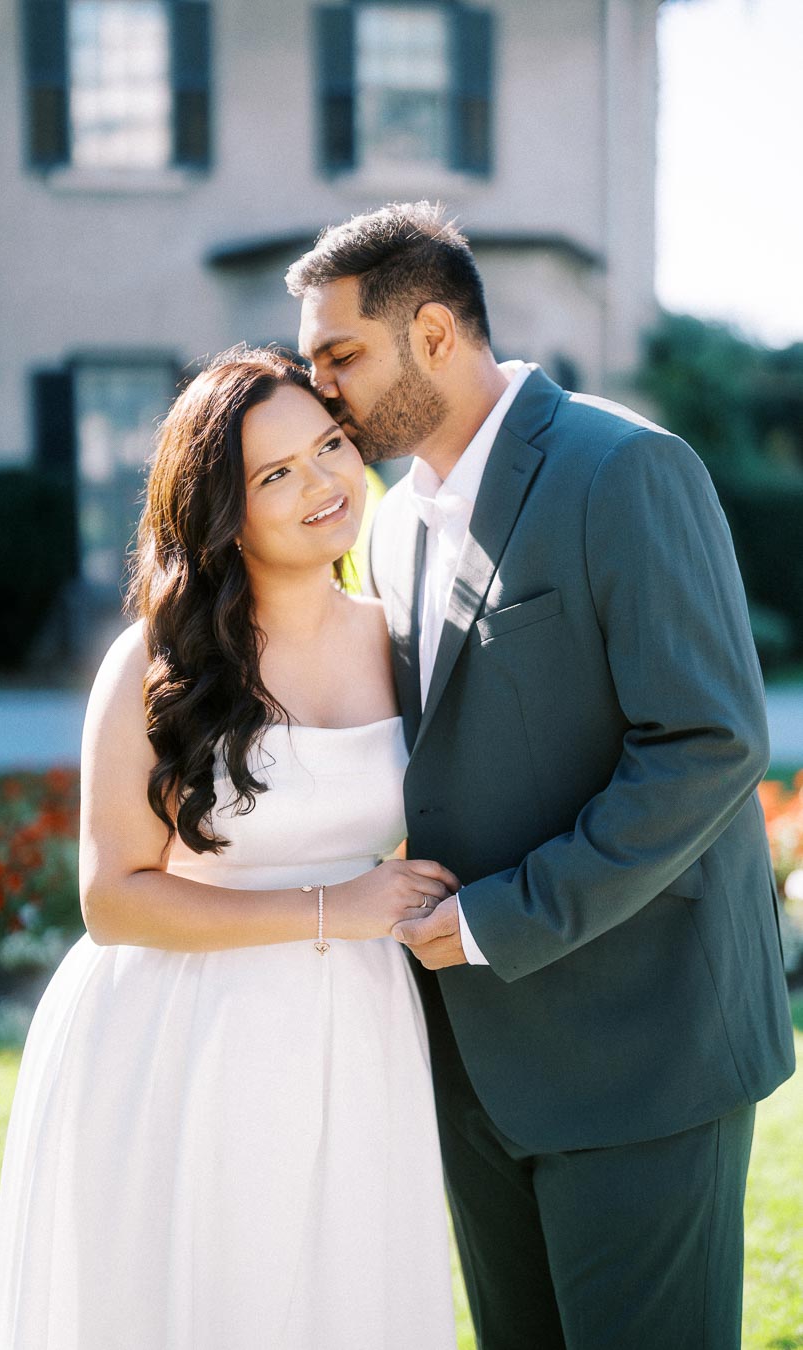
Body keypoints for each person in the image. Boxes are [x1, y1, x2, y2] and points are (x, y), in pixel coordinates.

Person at [288, 202, 796, 1350]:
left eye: (341, 356)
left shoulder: (626, 467)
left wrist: (494, 922)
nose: (322, 390)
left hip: (642, 1056)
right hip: (476, 1066)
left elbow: (710, 740)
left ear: (431, 334)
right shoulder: (394, 523)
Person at [0, 348, 459, 1350]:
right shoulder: (159, 660)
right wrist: (335, 910)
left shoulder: (398, 637)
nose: (321, 483)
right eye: (274, 474)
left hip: (355, 1026)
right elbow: (112, 898)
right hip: (181, 1030)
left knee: (342, 1297)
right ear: (221, 512)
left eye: (329, 447)